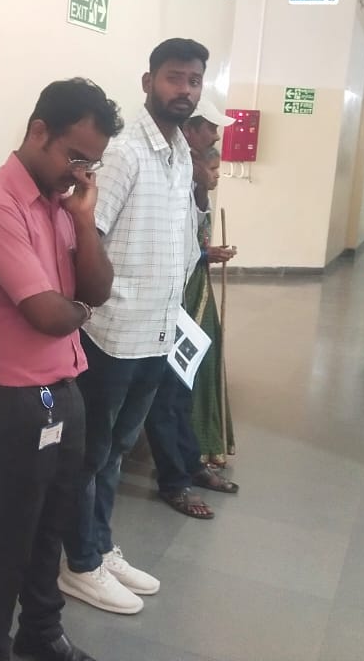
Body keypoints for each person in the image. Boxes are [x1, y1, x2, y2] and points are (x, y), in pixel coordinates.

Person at [0, 78, 122, 661]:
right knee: (10, 534)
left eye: (91, 164)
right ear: (38, 131)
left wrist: (83, 221)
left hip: (64, 386)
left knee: (52, 526)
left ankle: (41, 632)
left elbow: (95, 290)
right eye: (74, 156)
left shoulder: (63, 204)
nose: (80, 173)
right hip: (15, 399)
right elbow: (47, 314)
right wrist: (78, 310)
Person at [57, 38, 208, 615]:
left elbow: (180, 238)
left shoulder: (180, 152)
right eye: (174, 77)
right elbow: (86, 237)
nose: (184, 90)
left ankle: (99, 545)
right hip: (112, 333)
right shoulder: (124, 152)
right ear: (149, 82)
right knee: (92, 453)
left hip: (157, 331)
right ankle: (79, 563)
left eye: (193, 80)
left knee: (118, 450)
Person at [144, 108, 239, 522]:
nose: (216, 136)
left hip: (179, 294)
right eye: (211, 128)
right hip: (155, 299)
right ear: (190, 129)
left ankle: (189, 464)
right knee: (164, 395)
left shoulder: (186, 167)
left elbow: (188, 231)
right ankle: (173, 481)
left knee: (180, 389)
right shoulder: (155, 164)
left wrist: (201, 188)